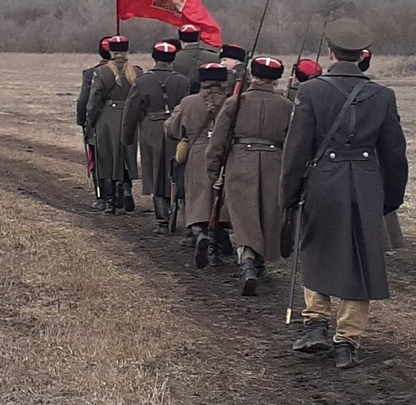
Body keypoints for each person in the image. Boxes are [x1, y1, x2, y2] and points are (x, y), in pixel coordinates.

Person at [280, 20, 408, 369]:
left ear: (331, 53)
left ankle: (316, 323)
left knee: (316, 248)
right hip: (366, 183)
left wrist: (288, 194)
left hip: (323, 181)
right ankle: (347, 341)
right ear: (362, 56)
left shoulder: (310, 92)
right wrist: (391, 198)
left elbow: (296, 149)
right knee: (361, 258)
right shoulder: (382, 95)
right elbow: (395, 153)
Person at [207, 56, 292, 296]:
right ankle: (259, 262)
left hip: (240, 161)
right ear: (276, 80)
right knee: (267, 213)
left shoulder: (235, 102)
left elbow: (219, 141)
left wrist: (214, 170)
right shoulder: (287, 106)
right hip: (275, 162)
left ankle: (247, 264)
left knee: (244, 216)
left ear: (253, 76)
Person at [164, 61, 232, 265]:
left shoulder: (188, 103)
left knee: (197, 198)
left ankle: (199, 232)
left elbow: (172, 129)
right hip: (226, 154)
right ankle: (216, 250)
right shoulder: (233, 102)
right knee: (220, 199)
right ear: (223, 82)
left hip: (197, 152)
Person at [124, 41, 195, 234]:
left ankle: (162, 220)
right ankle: (179, 217)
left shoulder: (142, 81)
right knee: (176, 172)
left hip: (151, 130)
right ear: (172, 59)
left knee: (154, 173)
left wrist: (127, 138)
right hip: (176, 128)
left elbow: (131, 112)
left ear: (154, 58)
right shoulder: (182, 81)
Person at [85, 36, 144, 214]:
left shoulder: (102, 72)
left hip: (107, 118)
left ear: (111, 51)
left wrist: (90, 122)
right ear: (126, 51)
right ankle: (126, 188)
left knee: (107, 159)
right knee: (126, 156)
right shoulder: (137, 71)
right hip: (130, 117)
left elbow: (94, 102)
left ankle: (110, 202)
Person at [77, 37, 112, 207]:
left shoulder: (91, 73)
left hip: (97, 123)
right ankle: (123, 191)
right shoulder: (130, 72)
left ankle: (102, 197)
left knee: (98, 159)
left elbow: (84, 101)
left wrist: (82, 121)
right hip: (122, 122)